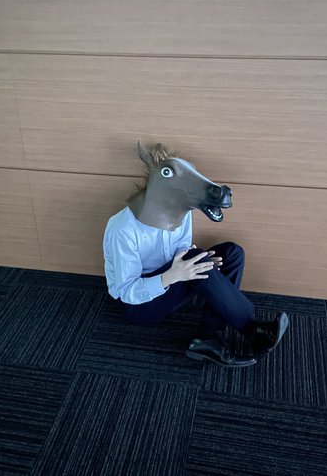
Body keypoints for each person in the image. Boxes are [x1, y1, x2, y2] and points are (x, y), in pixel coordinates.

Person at [103, 142, 289, 368]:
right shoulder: (123, 229)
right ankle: (252, 330)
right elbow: (126, 292)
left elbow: (182, 249)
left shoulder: (180, 213)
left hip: (172, 278)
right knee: (198, 260)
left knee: (232, 253)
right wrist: (173, 275)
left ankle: (206, 339)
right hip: (139, 306)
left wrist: (199, 260)